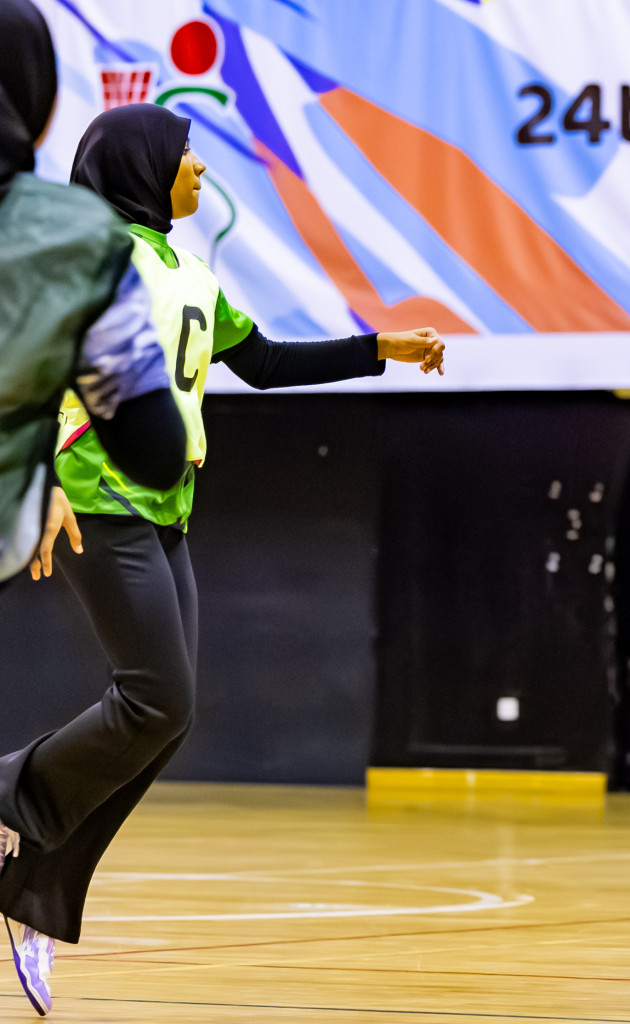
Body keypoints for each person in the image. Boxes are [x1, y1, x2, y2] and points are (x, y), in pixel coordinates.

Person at [0, 101, 445, 1016]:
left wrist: (379, 349)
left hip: (167, 510)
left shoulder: (187, 269)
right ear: (143, 168)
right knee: (155, 700)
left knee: (167, 718)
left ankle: (33, 894)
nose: (202, 170)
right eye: (187, 155)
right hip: (93, 497)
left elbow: (267, 363)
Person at [0, 0, 186, 591]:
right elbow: (155, 450)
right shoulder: (77, 242)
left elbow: (263, 357)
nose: (198, 166)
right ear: (42, 111)